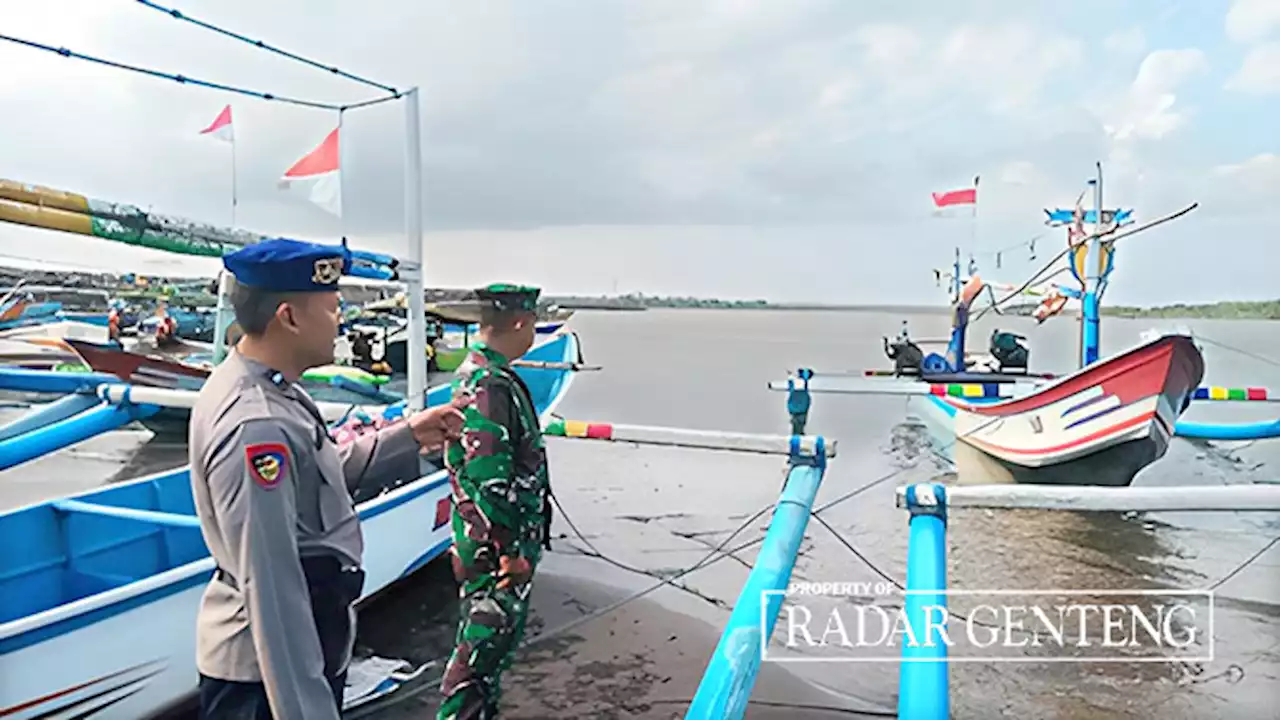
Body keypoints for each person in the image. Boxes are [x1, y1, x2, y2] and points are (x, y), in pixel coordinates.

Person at [188, 238, 467, 720]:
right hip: (266, 681)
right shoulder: (256, 426)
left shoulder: (271, 389)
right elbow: (272, 591)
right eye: (333, 308)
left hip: (296, 657)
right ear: (289, 317)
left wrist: (408, 436)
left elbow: (318, 477)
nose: (342, 322)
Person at [438, 283, 553, 720]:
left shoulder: (483, 372)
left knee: (490, 651)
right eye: (534, 325)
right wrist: (509, 552)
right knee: (479, 650)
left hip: (487, 541)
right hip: (495, 549)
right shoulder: (490, 382)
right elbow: (490, 479)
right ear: (521, 323)